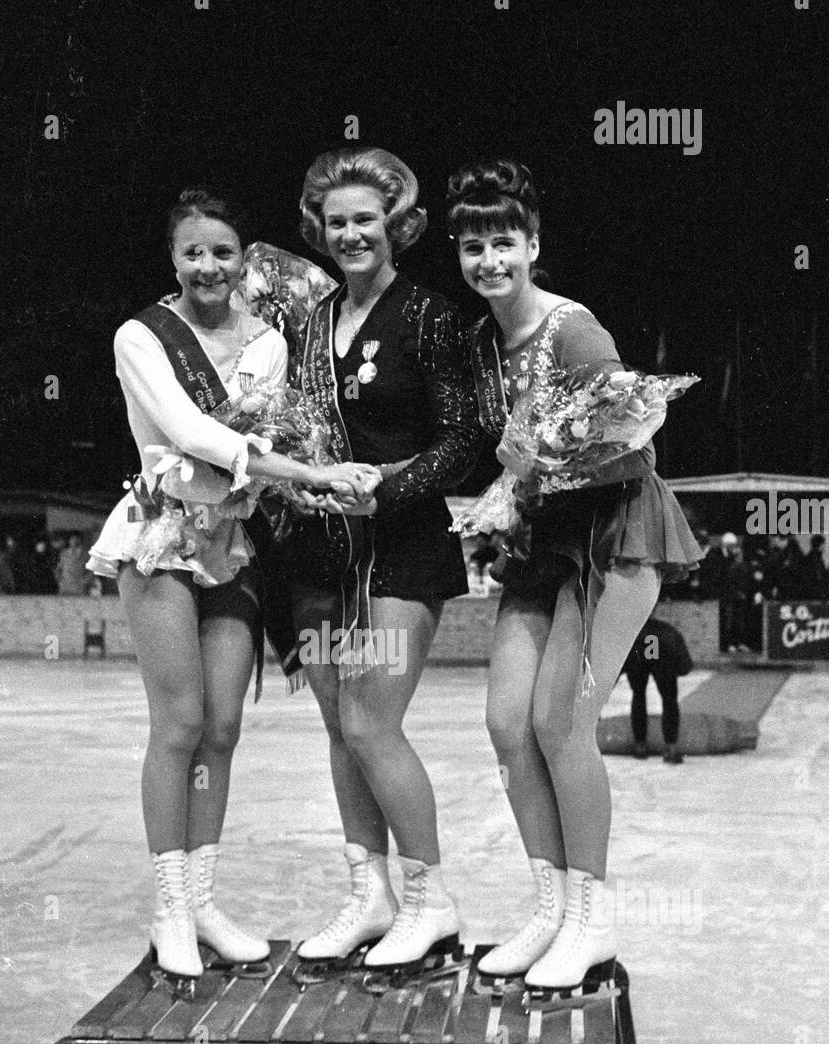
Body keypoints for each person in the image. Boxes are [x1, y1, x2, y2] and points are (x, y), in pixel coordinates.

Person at [86, 187, 378, 985]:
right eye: (193, 252)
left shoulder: (268, 345)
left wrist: (316, 486)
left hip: (232, 544)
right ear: (173, 258)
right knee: (178, 725)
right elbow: (193, 436)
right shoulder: (141, 337)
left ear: (244, 261)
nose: (208, 266)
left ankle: (206, 901)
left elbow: (258, 435)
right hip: (162, 533)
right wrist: (303, 469)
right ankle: (169, 909)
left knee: (222, 729)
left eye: (224, 252)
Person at [447, 156, 703, 991]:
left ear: (532, 243)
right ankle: (549, 906)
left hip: (615, 540)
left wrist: (541, 466)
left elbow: (636, 440)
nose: (489, 260)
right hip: (542, 549)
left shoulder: (574, 328)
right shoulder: (483, 339)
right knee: (507, 726)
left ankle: (592, 920)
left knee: (561, 723)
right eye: (473, 245)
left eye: (504, 242)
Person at [290, 148, 480, 974]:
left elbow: (468, 437)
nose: (351, 233)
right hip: (321, 553)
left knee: (372, 720)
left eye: (366, 219)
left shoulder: (430, 315)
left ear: (397, 225)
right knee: (341, 727)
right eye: (337, 223)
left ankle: (431, 902)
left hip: (403, 548)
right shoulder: (308, 320)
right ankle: (368, 895)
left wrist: (390, 489)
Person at [622, 615, 693, 764]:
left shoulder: (633, 630)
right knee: (669, 699)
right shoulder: (666, 630)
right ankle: (670, 747)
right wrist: (681, 669)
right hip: (662, 651)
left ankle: (640, 745)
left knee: (638, 695)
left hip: (638, 650)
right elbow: (684, 661)